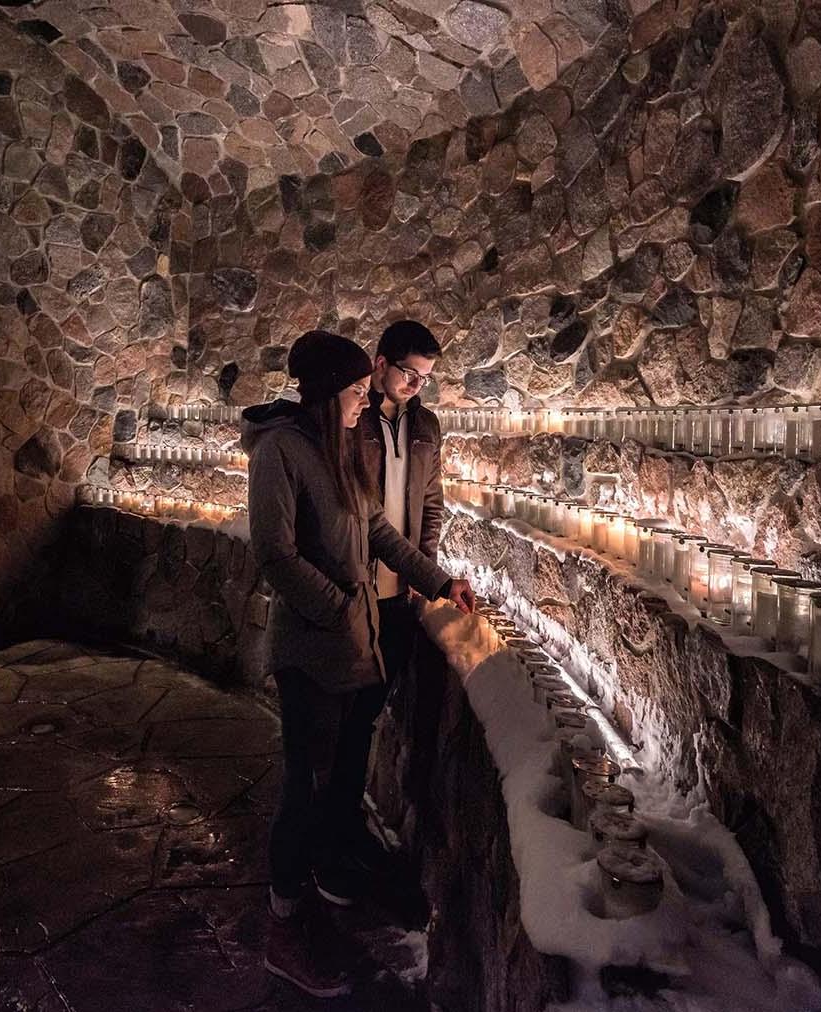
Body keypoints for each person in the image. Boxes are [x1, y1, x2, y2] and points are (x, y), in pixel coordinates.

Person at [242, 329, 475, 997]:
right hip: (312, 650)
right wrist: (341, 606)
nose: (360, 402)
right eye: (352, 392)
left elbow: (375, 530)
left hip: (352, 646)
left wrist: (437, 581)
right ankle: (285, 934)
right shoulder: (280, 450)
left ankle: (314, 903)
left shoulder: (340, 446)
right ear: (326, 394)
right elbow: (275, 554)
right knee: (302, 790)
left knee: (331, 782)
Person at [311, 320, 443, 902]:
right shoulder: (351, 419)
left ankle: (343, 827)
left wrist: (427, 571)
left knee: (363, 720)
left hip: (398, 597)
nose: (416, 385)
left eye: (425, 378)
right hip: (355, 594)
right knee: (338, 726)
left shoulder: (427, 427)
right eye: (410, 373)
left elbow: (431, 505)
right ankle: (327, 843)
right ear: (382, 362)